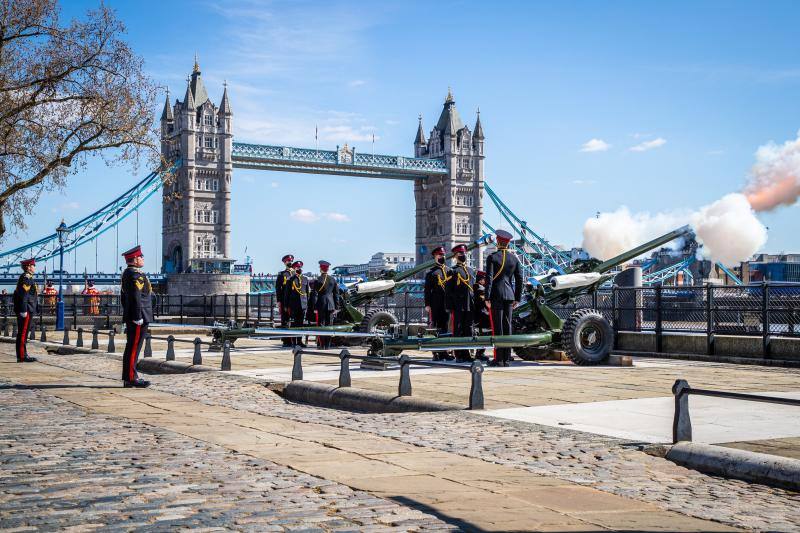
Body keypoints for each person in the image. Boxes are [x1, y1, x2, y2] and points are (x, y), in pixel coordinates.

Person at [485, 229, 523, 367]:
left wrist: (487, 297)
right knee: (508, 326)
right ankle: (507, 359)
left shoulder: (492, 257)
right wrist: (517, 298)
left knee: (498, 326)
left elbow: (489, 278)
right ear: (507, 243)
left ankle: (499, 359)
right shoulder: (514, 259)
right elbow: (519, 280)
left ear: (498, 241)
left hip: (496, 295)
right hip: (509, 296)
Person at [120, 245, 152, 388]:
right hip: (139, 317)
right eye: (141, 257)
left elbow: (124, 298)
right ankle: (131, 378)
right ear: (134, 259)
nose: (143, 258)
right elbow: (135, 297)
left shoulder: (128, 274)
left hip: (136, 315)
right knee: (134, 348)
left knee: (132, 347)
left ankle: (129, 377)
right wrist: (137, 316)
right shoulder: (135, 275)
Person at [446, 244, 475, 362]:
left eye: (464, 253)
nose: (463, 255)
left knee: (468, 329)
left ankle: (467, 354)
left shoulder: (470, 270)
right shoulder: (452, 271)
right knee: (458, 330)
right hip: (458, 305)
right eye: (460, 253)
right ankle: (459, 354)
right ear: (455, 256)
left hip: (469, 305)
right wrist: (449, 306)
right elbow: (448, 291)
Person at [424, 246, 453, 361]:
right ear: (435, 257)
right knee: (435, 329)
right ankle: (436, 353)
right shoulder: (431, 273)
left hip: (447, 304)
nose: (442, 257)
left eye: (443, 255)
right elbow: (427, 290)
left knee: (445, 328)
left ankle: (444, 352)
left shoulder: (449, 270)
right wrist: (427, 304)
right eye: (440, 255)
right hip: (436, 304)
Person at [308, 260, 340, 349]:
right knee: (329, 325)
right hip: (330, 304)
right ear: (327, 269)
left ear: (321, 269)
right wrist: (336, 307)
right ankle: (328, 345)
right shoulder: (333, 279)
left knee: (321, 325)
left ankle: (322, 345)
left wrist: (314, 306)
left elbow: (314, 294)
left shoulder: (318, 279)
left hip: (321, 304)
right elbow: (336, 294)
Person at [13, 258, 38, 363]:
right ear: (28, 267)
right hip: (26, 309)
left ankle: (22, 354)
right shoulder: (26, 278)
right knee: (23, 333)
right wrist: (24, 310)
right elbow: (24, 295)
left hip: (28, 308)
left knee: (23, 332)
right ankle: (22, 356)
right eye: (33, 265)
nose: (34, 267)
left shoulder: (28, 277)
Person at [283, 260, 309, 346]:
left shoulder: (305, 279)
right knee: (294, 324)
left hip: (303, 305)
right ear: (294, 269)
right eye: (297, 267)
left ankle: (300, 341)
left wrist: (307, 305)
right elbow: (287, 294)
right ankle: (294, 341)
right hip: (293, 305)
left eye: (300, 267)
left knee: (301, 324)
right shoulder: (290, 280)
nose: (299, 269)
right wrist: (286, 306)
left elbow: (307, 293)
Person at [275, 254, 294, 346]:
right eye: (287, 261)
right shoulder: (282, 274)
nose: (289, 262)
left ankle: (296, 340)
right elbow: (278, 289)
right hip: (284, 300)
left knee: (296, 321)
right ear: (284, 263)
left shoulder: (296, 274)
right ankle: (286, 340)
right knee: (285, 321)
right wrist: (279, 301)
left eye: (290, 261)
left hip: (294, 301)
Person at [472, 270, 491, 363]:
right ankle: (479, 353)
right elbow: (484, 303)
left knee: (484, 334)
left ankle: (480, 353)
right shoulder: (479, 288)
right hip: (482, 315)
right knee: (484, 334)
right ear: (480, 280)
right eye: (484, 279)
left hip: (482, 315)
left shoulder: (479, 287)